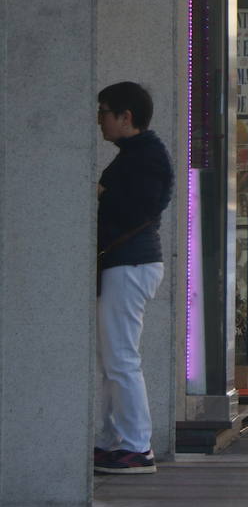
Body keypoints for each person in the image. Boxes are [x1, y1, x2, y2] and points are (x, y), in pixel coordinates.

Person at [95, 82, 174, 474]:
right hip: (129, 264)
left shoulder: (146, 157)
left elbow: (135, 208)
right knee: (114, 358)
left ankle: (135, 446)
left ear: (126, 117)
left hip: (131, 265)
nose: (99, 121)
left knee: (122, 359)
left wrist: (101, 192)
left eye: (104, 112)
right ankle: (115, 441)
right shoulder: (139, 154)